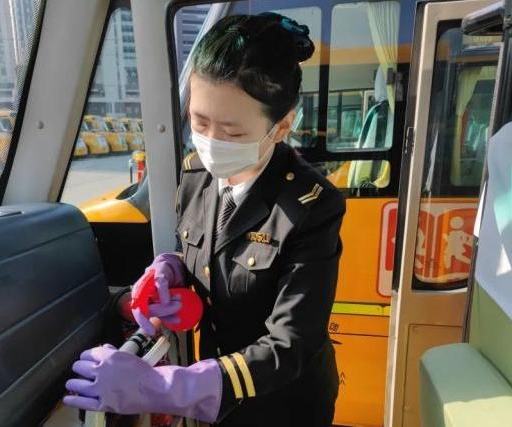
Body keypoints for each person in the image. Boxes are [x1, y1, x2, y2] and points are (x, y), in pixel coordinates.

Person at [63, 12, 346, 427]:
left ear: (282, 125)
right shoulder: (197, 175)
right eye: (199, 122)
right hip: (212, 398)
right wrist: (173, 268)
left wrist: (162, 388)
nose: (212, 142)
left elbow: (292, 343)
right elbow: (206, 250)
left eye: (232, 132)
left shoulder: (311, 206)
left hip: (282, 406)